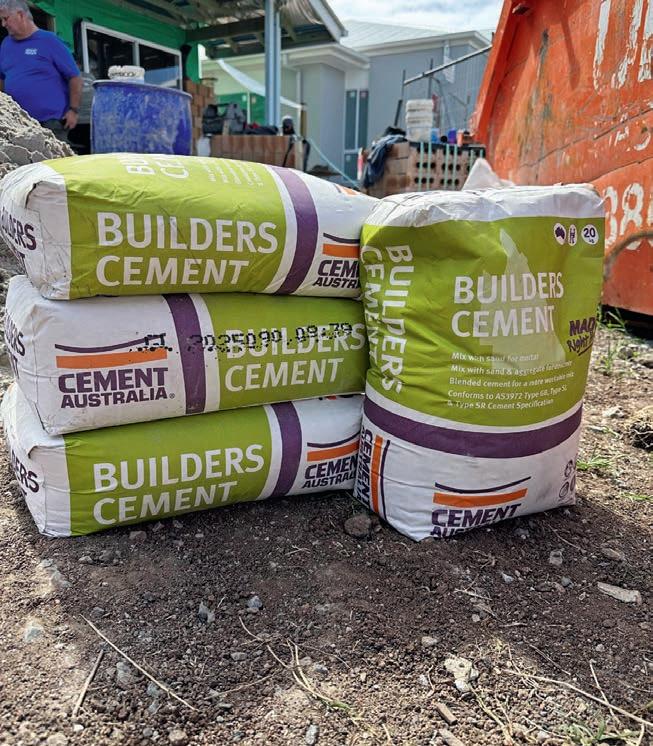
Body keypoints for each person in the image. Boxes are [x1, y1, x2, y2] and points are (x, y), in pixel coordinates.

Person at [0, 0, 82, 142]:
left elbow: (74, 77)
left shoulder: (50, 41)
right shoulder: (6, 45)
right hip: (18, 126)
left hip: (51, 124)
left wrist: (73, 110)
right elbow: (1, 78)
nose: (3, 24)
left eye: (6, 19)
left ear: (20, 15)